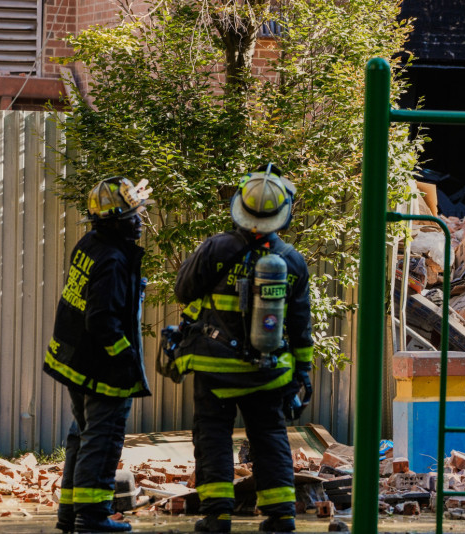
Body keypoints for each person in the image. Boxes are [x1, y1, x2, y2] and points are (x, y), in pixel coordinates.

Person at [174, 164, 314, 533]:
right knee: (269, 436)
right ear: (283, 214)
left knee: (213, 437)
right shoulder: (292, 261)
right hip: (266, 371)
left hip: (215, 368)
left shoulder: (217, 248)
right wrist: (303, 371)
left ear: (239, 206)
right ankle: (281, 515)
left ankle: (217, 515)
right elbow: (301, 325)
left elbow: (183, 290)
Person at [44, 176, 154, 533]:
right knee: (101, 440)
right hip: (102, 369)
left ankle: (70, 513)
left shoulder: (91, 243)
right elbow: (102, 320)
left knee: (83, 435)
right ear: (116, 222)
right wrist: (124, 359)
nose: (140, 222)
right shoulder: (113, 258)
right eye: (133, 216)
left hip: (76, 361)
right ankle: (92, 517)